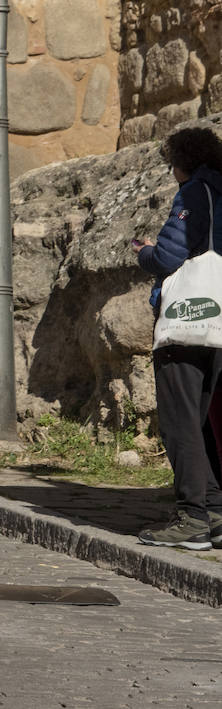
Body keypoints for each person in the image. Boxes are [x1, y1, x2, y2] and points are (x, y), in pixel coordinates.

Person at [134, 127, 222, 550]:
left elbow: (170, 254)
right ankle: (215, 510)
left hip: (186, 324)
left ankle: (191, 518)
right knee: (202, 419)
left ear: (181, 161)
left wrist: (144, 252)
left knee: (179, 422)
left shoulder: (194, 193)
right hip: (218, 324)